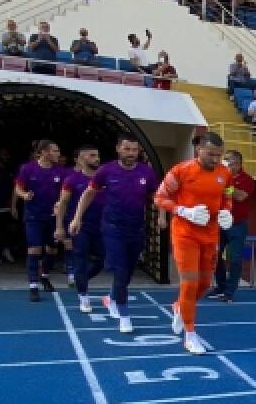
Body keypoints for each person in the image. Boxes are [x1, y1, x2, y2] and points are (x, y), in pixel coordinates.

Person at [153, 132, 233, 353]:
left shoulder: (225, 172)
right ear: (199, 150)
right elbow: (159, 197)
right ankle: (190, 333)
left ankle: (180, 307)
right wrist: (183, 211)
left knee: (205, 284)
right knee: (189, 283)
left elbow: (228, 194)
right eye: (210, 154)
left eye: (219, 155)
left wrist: (227, 211)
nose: (215, 159)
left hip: (211, 234)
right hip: (185, 234)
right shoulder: (180, 171)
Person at [70, 135, 160, 333]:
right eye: (127, 149)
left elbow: (157, 195)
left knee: (128, 271)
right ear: (118, 149)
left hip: (136, 229)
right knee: (120, 271)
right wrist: (77, 218)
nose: (131, 154)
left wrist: (162, 215)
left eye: (134, 150)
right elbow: (88, 193)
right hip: (112, 229)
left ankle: (111, 297)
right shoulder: (106, 171)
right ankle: (124, 316)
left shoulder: (146, 173)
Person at [14, 139, 72, 301]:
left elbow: (65, 192)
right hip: (34, 217)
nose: (58, 154)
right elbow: (18, 188)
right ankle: (33, 286)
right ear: (45, 152)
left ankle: (44, 276)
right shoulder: (28, 168)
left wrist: (60, 204)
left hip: (53, 217)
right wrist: (24, 195)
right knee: (34, 249)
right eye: (55, 151)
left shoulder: (60, 171)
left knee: (52, 250)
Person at [56, 145, 104, 312]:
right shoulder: (72, 180)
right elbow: (62, 203)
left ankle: (80, 279)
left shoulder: (104, 178)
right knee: (80, 260)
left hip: (102, 226)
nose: (96, 158)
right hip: (80, 226)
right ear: (82, 159)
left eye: (97, 155)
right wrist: (59, 227)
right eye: (92, 155)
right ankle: (83, 297)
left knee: (102, 260)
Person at [208, 150, 255, 303]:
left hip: (237, 225)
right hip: (220, 223)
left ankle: (230, 291)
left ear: (238, 164)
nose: (226, 163)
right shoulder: (219, 176)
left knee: (235, 259)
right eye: (225, 160)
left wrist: (226, 186)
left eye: (229, 161)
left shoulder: (247, 179)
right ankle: (220, 287)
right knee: (214, 256)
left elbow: (241, 196)